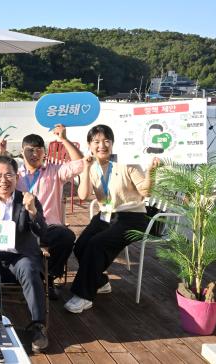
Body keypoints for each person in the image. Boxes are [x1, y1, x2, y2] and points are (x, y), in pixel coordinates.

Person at [64, 124, 159, 314]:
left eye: (106, 141)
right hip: (106, 215)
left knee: (96, 244)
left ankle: (84, 296)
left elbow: (145, 191)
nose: (102, 145)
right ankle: (100, 282)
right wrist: (86, 168)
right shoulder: (91, 166)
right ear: (89, 145)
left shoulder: (127, 164)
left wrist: (151, 172)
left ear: (113, 143)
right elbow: (83, 195)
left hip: (132, 217)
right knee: (81, 245)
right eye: (96, 141)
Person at [0, 155, 49, 352]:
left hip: (19, 256)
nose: (3, 180)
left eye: (8, 175)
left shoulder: (28, 200)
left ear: (17, 176)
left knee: (29, 270)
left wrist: (31, 212)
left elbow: (42, 231)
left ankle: (38, 326)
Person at [14, 125, 84, 299]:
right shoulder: (15, 175)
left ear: (45, 152)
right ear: (22, 153)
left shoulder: (55, 171)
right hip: (21, 227)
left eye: (39, 150)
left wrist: (63, 139)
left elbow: (80, 164)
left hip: (48, 228)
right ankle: (22, 276)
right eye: (30, 150)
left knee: (66, 236)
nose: (35, 154)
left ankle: (48, 277)